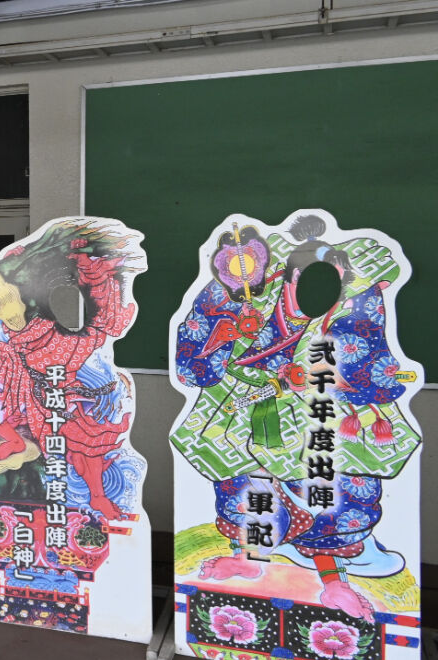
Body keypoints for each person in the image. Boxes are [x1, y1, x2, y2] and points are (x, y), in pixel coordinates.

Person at [171, 214, 419, 622]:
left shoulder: (357, 298)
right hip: (246, 405)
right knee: (247, 483)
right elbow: (197, 350)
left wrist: (318, 373)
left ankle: (335, 582)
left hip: (321, 407)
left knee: (333, 486)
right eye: (304, 277)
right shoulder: (248, 289)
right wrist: (227, 337)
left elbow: (364, 355)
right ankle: (249, 558)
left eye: (332, 278)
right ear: (290, 275)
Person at [0, 221, 142, 520]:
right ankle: (16, 440)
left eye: (0, 300)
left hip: (62, 396)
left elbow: (104, 318)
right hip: (24, 380)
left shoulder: (75, 337)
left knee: (86, 439)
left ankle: (97, 496)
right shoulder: (14, 341)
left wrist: (92, 271)